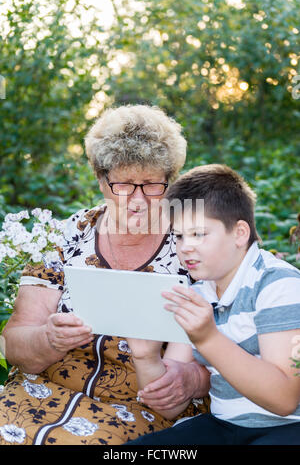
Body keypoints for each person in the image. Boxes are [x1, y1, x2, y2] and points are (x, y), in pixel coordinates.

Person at [0, 105, 209, 446]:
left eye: (153, 185)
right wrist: (47, 339)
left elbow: (196, 368)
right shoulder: (65, 237)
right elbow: (13, 342)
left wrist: (186, 379)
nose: (138, 201)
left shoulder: (193, 248)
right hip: (38, 394)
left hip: (139, 409)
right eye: (124, 185)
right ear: (100, 178)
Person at [128, 164, 300, 445]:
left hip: (286, 429)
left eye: (199, 234)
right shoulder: (197, 293)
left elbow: (283, 400)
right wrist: (145, 357)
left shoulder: (279, 284)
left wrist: (207, 338)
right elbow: (170, 406)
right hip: (223, 426)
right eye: (179, 236)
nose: (185, 247)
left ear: (240, 233)